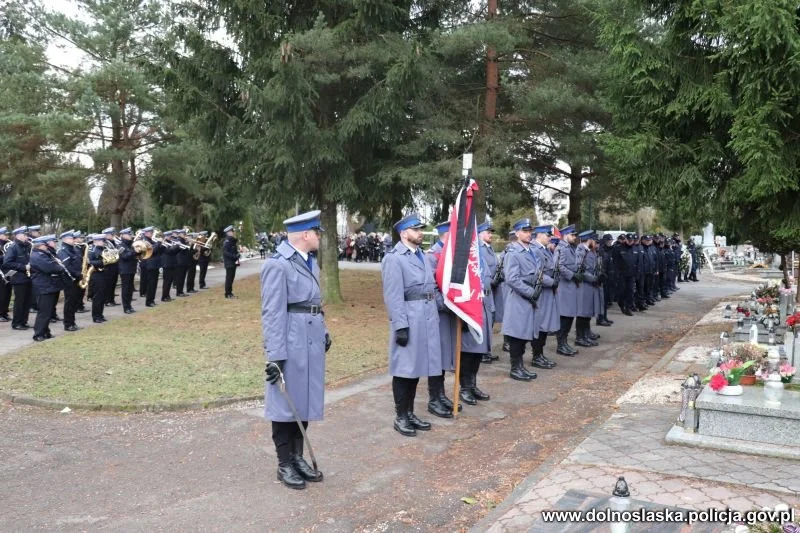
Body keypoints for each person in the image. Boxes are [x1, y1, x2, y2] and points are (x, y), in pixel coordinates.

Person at [263, 210, 329, 490]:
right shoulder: (277, 266)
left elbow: (314, 303)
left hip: (311, 339)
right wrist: (275, 356)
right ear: (305, 234)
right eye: (317, 233)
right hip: (290, 341)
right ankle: (284, 463)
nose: (319, 238)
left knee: (303, 400)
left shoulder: (309, 262)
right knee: (284, 403)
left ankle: (297, 456)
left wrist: (324, 331)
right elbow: (272, 313)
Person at [382, 213, 443, 436]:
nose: (420, 233)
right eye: (416, 230)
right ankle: (401, 416)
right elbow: (393, 295)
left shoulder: (422, 256)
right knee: (404, 370)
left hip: (426, 316)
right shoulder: (394, 258)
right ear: (404, 233)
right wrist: (400, 326)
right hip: (410, 318)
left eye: (420, 229)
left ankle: (409, 412)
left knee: (416, 368)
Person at [458, 221, 496, 403]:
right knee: (468, 351)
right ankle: (464, 387)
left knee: (479, 351)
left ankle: (472, 385)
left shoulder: (481, 255)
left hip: (485, 305)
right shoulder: (464, 257)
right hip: (471, 307)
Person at [501, 218, 541, 382]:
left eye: (530, 231)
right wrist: (530, 292)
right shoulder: (513, 253)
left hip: (530, 297)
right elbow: (511, 279)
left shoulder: (532, 250)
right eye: (525, 231)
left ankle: (521, 366)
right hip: (519, 297)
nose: (528, 234)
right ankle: (515, 368)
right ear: (517, 233)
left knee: (525, 333)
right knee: (517, 335)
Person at [425, 221, 458, 416]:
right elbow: (432, 286)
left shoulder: (451, 256)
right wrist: (446, 306)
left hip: (450, 313)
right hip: (438, 313)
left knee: (445, 354)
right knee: (436, 356)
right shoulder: (433, 256)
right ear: (445, 235)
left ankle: (441, 394)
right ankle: (433, 398)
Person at [30, 235, 71, 341]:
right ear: (40, 245)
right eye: (45, 244)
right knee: (44, 312)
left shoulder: (45, 253)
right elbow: (52, 268)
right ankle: (38, 334)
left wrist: (58, 265)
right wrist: (60, 266)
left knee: (48, 312)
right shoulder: (38, 256)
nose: (47, 246)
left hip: (50, 286)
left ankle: (46, 332)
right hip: (44, 287)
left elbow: (55, 264)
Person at [529, 225, 559, 368]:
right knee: (540, 325)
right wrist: (552, 282)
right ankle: (536, 356)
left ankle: (540, 354)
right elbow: (537, 273)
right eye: (547, 236)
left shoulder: (544, 249)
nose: (549, 238)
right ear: (539, 235)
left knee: (545, 324)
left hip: (547, 292)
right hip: (541, 291)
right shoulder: (535, 249)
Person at [556, 225, 581, 355]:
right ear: (565, 235)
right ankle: (561, 344)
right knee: (564, 317)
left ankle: (564, 342)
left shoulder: (571, 248)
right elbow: (559, 266)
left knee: (570, 317)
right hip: (564, 288)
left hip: (571, 287)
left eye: (575, 235)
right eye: (572, 235)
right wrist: (572, 275)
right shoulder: (561, 248)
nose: (574, 237)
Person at [2, 226, 33, 330]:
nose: (26, 236)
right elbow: (7, 263)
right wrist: (23, 267)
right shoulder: (13, 247)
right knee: (20, 302)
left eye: (26, 234)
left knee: (27, 301)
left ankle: (24, 321)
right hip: (18, 278)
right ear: (18, 236)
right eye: (24, 235)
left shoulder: (28, 246)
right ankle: (17, 323)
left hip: (28, 277)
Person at [575, 231, 600, 347]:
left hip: (590, 284)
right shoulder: (580, 251)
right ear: (589, 240)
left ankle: (585, 334)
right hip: (583, 285)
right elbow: (580, 269)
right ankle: (580, 337)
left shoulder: (589, 251)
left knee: (588, 311)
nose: (595, 243)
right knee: (582, 312)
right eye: (594, 240)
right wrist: (593, 278)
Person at [56, 231, 84, 330]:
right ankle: (68, 324)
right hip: (69, 280)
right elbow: (66, 267)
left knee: (74, 302)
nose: (74, 240)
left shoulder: (74, 249)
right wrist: (77, 274)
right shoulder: (63, 251)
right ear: (65, 239)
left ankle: (72, 322)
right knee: (69, 302)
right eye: (72, 239)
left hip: (77, 279)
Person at [495, 230, 516, 353]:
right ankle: (507, 342)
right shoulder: (507, 253)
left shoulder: (508, 252)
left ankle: (509, 341)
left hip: (508, 286)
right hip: (507, 287)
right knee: (508, 315)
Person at [88, 234, 112, 323]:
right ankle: (96, 316)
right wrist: (103, 262)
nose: (103, 242)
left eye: (103, 241)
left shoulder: (104, 249)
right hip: (96, 275)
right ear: (95, 241)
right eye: (102, 241)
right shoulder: (92, 250)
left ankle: (100, 315)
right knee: (97, 297)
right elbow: (89, 262)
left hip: (105, 274)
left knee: (102, 297)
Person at [140, 227, 163, 307]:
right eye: (151, 232)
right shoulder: (144, 241)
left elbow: (158, 251)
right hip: (150, 265)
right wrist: (159, 243)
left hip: (154, 264)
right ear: (146, 233)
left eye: (152, 232)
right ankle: (149, 302)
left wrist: (161, 245)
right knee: (151, 284)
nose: (152, 234)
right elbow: (151, 250)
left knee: (154, 284)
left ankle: (151, 300)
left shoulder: (152, 240)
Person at [117, 228, 138, 314]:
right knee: (126, 289)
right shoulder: (120, 246)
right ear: (123, 235)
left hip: (131, 268)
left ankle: (129, 305)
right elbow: (124, 257)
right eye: (129, 235)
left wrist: (139, 252)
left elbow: (133, 254)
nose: (131, 236)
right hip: (125, 270)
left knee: (130, 289)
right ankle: (126, 307)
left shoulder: (130, 245)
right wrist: (134, 252)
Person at [222, 225, 240, 298]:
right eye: (232, 232)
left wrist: (237, 254)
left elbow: (233, 250)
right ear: (228, 233)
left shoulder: (232, 240)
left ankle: (230, 292)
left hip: (232, 262)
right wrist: (234, 256)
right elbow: (225, 252)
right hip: (229, 262)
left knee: (231, 278)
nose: (233, 233)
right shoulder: (228, 241)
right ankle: (228, 293)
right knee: (229, 278)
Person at [160, 231, 178, 302]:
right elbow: (169, 251)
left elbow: (174, 252)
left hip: (172, 263)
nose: (171, 238)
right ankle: (164, 297)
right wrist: (176, 246)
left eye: (171, 236)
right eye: (170, 236)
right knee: (166, 282)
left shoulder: (170, 242)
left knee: (170, 281)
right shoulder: (164, 243)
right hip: (167, 264)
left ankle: (167, 295)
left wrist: (179, 247)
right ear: (166, 236)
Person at [0, 226, 11, 322]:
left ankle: (5, 312)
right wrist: (6, 258)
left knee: (7, 293)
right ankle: (0, 313)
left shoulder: (9, 243)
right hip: (1, 271)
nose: (7, 236)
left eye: (7, 234)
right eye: (5, 234)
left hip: (8, 271)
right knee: (2, 293)